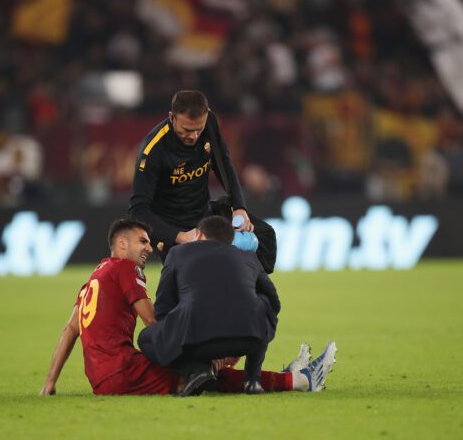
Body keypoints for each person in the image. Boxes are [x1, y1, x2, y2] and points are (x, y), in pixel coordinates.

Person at [39, 218, 337, 396]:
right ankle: (298, 380)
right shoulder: (125, 269)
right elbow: (153, 321)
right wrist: (200, 355)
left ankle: (284, 375)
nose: (149, 247)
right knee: (204, 376)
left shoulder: (94, 278)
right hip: (124, 372)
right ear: (121, 244)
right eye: (142, 241)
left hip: (100, 378)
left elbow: (69, 331)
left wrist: (50, 382)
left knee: (195, 369)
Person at [137, 216, 336, 395]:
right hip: (247, 340)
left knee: (146, 337)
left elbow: (163, 307)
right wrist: (256, 333)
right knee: (262, 303)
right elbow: (273, 302)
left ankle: (197, 370)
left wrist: (177, 341)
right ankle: (253, 379)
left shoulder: (178, 253)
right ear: (230, 240)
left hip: (197, 344)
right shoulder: (248, 257)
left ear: (199, 234)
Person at [129, 90, 254, 261]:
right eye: (187, 130)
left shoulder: (209, 120)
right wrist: (179, 236)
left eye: (199, 129)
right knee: (193, 274)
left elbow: (222, 162)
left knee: (258, 244)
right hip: (171, 228)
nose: (194, 136)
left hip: (203, 218)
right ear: (172, 117)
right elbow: (138, 210)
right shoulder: (153, 151)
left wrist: (239, 206)